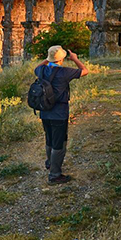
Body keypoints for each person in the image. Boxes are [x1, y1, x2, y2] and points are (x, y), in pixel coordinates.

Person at [34, 45, 88, 184]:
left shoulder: (41, 70)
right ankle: (54, 175)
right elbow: (85, 71)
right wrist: (75, 59)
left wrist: (47, 60)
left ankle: (50, 163)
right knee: (59, 144)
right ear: (62, 58)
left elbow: (37, 67)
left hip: (44, 111)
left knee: (49, 139)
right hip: (59, 113)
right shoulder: (64, 72)